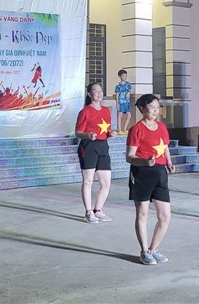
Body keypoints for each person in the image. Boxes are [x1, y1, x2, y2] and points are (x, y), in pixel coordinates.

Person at [127, 93, 176, 265]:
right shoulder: (136, 129)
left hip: (160, 173)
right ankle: (144, 251)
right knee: (143, 214)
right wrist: (145, 162)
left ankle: (153, 249)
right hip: (141, 173)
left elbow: (165, 147)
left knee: (165, 216)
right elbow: (129, 156)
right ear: (142, 109)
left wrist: (169, 162)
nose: (155, 110)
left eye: (157, 107)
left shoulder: (162, 127)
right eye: (151, 107)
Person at [75, 82, 115, 223]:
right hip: (89, 147)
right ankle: (88, 212)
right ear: (89, 94)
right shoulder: (85, 112)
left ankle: (98, 210)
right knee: (88, 181)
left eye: (101, 91)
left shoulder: (106, 111)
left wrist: (111, 133)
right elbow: (78, 132)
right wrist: (88, 135)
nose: (99, 93)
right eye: (96, 91)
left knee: (106, 183)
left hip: (103, 146)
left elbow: (106, 130)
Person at [115, 69, 132, 135]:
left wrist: (128, 93)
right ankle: (119, 129)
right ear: (120, 76)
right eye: (123, 76)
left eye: (125, 76)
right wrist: (117, 103)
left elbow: (129, 91)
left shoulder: (128, 84)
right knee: (120, 115)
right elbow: (117, 95)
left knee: (129, 115)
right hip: (121, 102)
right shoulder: (118, 85)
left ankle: (124, 129)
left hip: (127, 102)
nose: (125, 77)